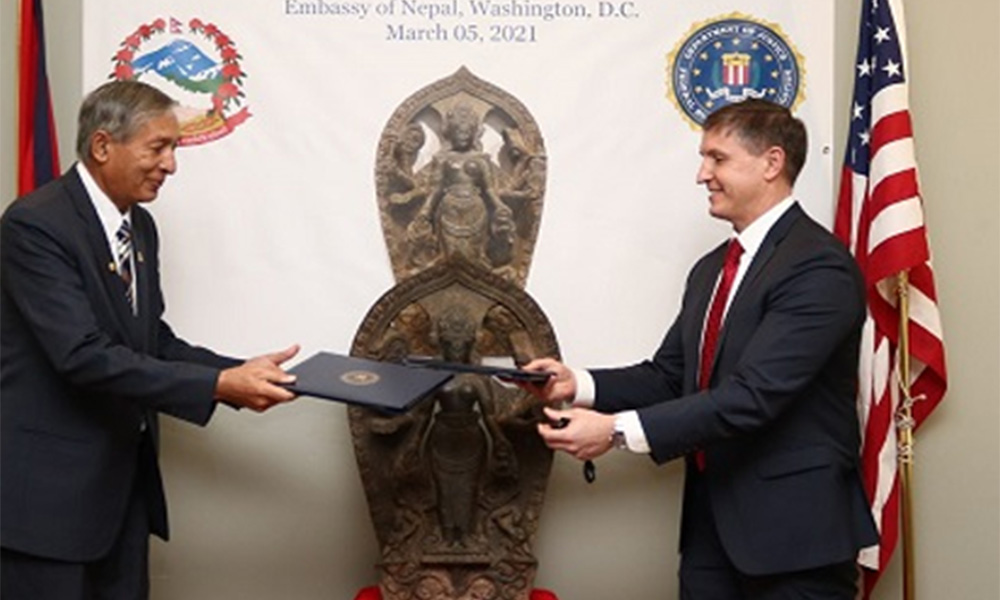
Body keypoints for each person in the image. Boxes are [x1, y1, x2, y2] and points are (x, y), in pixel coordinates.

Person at [525, 99, 878, 599]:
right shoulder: (712, 269)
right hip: (710, 533)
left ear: (772, 163)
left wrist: (615, 432)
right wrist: (574, 384)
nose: (702, 175)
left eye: (718, 158)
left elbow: (752, 396)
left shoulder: (820, 267)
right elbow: (671, 377)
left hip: (796, 539)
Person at [0, 80, 300, 600]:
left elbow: (150, 341)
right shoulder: (35, 225)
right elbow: (82, 355)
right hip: (47, 508)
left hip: (120, 497)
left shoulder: (140, 227)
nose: (171, 165)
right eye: (158, 148)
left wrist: (239, 371)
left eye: (174, 148)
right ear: (102, 146)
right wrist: (218, 385)